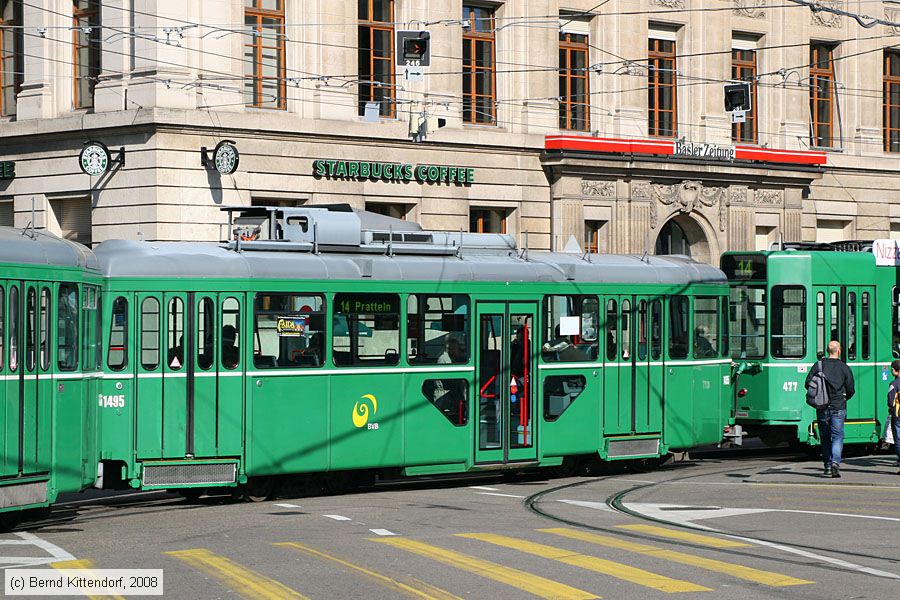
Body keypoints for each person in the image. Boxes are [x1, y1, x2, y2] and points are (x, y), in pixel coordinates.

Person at [805, 340, 855, 478]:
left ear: (828, 351)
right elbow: (851, 388)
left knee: (825, 436)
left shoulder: (818, 365)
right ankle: (835, 463)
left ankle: (827, 467)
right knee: (838, 436)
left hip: (822, 407)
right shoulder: (844, 367)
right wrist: (843, 398)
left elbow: (808, 384)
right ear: (839, 351)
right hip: (838, 406)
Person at [886, 359, 900, 470]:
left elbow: (890, 402)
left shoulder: (894, 384)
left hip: (898, 415)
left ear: (894, 370)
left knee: (898, 439)